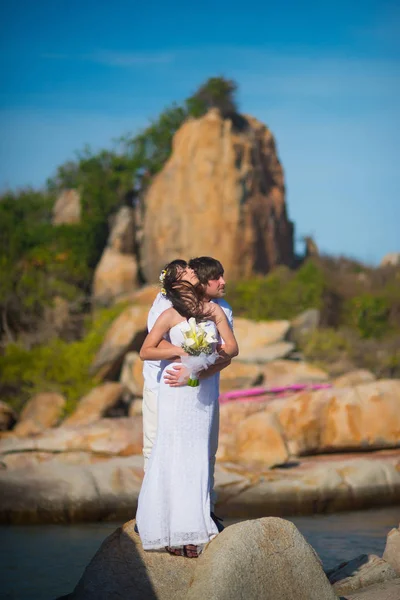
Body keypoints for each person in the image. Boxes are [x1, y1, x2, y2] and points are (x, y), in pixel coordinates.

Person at [136, 262, 238, 558]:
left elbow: (229, 351)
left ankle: (196, 523)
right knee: (161, 451)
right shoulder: (164, 308)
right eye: (186, 272)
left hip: (201, 389)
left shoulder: (218, 309)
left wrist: (195, 370)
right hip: (165, 388)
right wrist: (183, 352)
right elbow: (149, 350)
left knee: (200, 455)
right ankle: (159, 522)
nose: (192, 273)